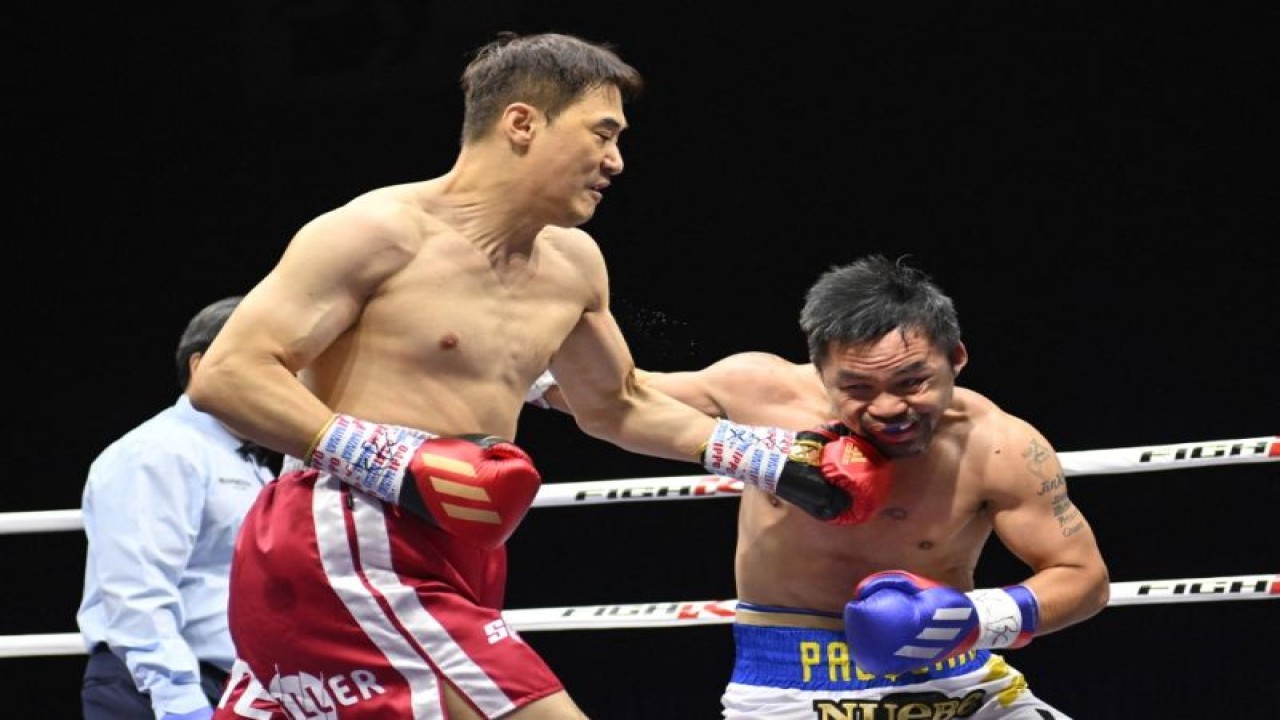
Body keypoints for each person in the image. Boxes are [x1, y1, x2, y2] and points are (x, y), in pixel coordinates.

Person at [187, 32, 887, 720]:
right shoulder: (379, 231)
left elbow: (618, 403)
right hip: (349, 528)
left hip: (463, 542)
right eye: (601, 134)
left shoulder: (572, 265)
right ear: (522, 122)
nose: (615, 161)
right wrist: (388, 456)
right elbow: (228, 374)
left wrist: (760, 455)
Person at [536, 254, 1110, 719]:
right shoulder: (757, 392)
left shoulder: (999, 444)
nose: (889, 408)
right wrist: (494, 366)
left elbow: (1084, 578)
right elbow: (611, 394)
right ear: (819, 370)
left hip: (958, 683)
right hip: (791, 686)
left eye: (913, 381)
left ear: (956, 358)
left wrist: (971, 621)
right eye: (857, 387)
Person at [78, 296, 279, 720]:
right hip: (158, 687)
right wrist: (180, 702)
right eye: (267, 366)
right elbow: (137, 591)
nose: (282, 384)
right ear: (201, 366)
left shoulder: (248, 460)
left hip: (238, 688)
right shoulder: (158, 452)